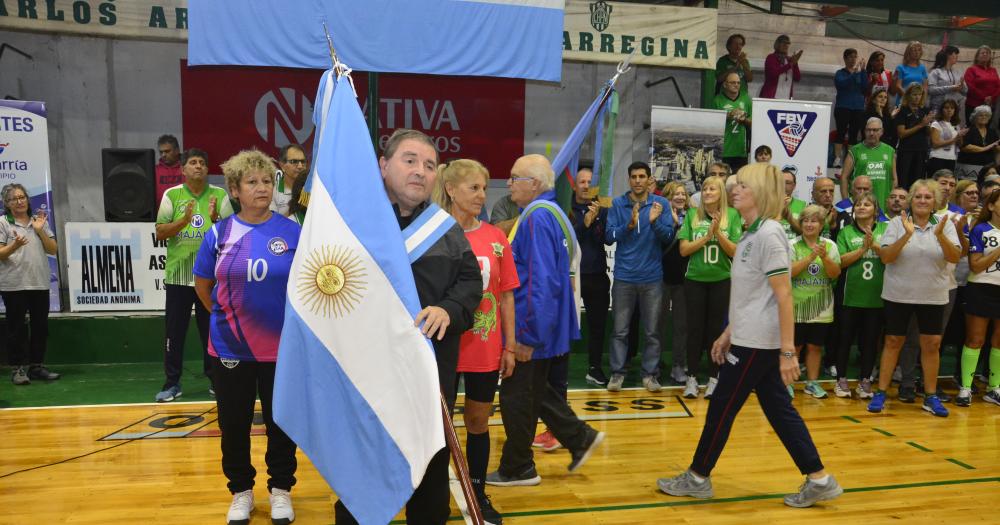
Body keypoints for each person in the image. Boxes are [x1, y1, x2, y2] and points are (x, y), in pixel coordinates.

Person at [657, 162, 843, 507]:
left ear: (759, 193)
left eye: (742, 185)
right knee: (779, 410)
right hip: (747, 337)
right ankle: (819, 478)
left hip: (758, 343)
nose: (734, 190)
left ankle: (698, 477)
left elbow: (783, 294)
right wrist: (729, 331)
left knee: (721, 410)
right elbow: (751, 294)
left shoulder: (770, 234)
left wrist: (788, 352)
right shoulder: (751, 232)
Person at [334, 129, 482, 524]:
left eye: (430, 165)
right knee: (361, 476)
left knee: (430, 479)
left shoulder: (445, 229)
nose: (420, 171)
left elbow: (470, 283)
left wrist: (449, 309)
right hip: (366, 377)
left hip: (428, 379)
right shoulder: (349, 222)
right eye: (410, 160)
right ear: (383, 166)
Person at [191, 149, 301, 525]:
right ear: (235, 190)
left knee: (281, 421)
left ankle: (281, 489)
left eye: (267, 181)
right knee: (233, 423)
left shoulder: (293, 232)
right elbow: (203, 287)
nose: (262, 188)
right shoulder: (218, 234)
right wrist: (229, 320)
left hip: (282, 348)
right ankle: (241, 491)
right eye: (252, 182)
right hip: (230, 347)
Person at [486, 154, 605, 487]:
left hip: (532, 325)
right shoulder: (556, 214)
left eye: (514, 178)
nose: (508, 184)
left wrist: (526, 336)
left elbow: (540, 281)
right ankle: (578, 437)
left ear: (534, 183)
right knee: (535, 391)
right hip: (549, 323)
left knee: (516, 396)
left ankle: (518, 467)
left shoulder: (537, 217)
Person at [433, 158, 518, 523]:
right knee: (437, 427)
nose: (482, 195)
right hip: (443, 347)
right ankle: (433, 495)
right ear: (451, 189)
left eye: (484, 188)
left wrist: (509, 346)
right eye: (474, 188)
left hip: (485, 346)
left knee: (479, 423)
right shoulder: (432, 234)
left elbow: (506, 295)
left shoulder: (496, 238)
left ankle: (479, 493)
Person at [868, 180, 961, 417]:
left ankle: (930, 396)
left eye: (927, 197)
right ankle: (881, 392)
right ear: (911, 199)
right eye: (918, 196)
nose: (922, 201)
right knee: (893, 342)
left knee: (931, 345)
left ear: (935, 202)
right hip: (898, 294)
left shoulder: (945, 224)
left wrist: (940, 235)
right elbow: (886, 258)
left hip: (933, 295)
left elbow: (954, 257)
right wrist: (905, 236)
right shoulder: (897, 223)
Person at [155, 148, 234, 402]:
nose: (198, 166)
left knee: (210, 330)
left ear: (207, 169)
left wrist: (215, 219)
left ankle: (216, 380)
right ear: (183, 169)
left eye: (202, 162)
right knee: (174, 332)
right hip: (179, 276)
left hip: (211, 278)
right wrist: (183, 221)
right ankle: (172, 383)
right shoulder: (172, 195)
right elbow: (160, 232)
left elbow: (232, 235)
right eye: (193, 162)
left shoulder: (219, 195)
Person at [604, 162, 675, 392]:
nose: (637, 180)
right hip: (624, 277)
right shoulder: (618, 204)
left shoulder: (660, 203)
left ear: (648, 179)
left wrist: (653, 222)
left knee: (652, 331)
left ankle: (650, 375)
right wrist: (629, 225)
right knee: (620, 330)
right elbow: (608, 236)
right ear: (629, 179)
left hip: (652, 278)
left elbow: (668, 237)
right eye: (633, 176)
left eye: (642, 176)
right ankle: (617, 374)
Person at [678, 176, 741, 399]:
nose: (707, 192)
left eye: (712, 188)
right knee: (694, 330)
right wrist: (706, 237)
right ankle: (692, 378)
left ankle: (714, 378)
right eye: (704, 188)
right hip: (695, 279)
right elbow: (683, 250)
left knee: (716, 331)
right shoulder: (693, 215)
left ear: (721, 193)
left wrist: (718, 234)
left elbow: (734, 251)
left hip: (721, 280)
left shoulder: (732, 215)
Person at [0, 184, 58, 385]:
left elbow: (53, 250)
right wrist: (14, 245)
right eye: (14, 198)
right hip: (14, 285)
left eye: (22, 197)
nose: (19, 201)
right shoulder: (3, 223)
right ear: (6, 204)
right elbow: (0, 253)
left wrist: (40, 231)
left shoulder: (38, 221)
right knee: (16, 329)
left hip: (39, 282)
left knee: (40, 327)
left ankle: (37, 366)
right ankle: (17, 369)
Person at [834, 192, 887, 399]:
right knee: (845, 339)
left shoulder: (886, 229)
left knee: (870, 341)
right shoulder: (845, 232)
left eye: (867, 204)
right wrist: (862, 249)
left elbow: (891, 256)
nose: (862, 207)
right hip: (850, 296)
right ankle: (841, 379)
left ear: (876, 210)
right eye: (858, 204)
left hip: (877, 297)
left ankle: (865, 380)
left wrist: (873, 245)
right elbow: (840, 261)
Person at [790, 205, 841, 399]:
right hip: (796, 306)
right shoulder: (792, 244)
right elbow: (790, 272)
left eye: (814, 221)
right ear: (800, 223)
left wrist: (824, 257)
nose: (809, 224)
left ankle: (812, 382)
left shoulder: (830, 245)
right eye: (805, 220)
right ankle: (788, 383)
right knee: (793, 348)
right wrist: (811, 256)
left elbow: (835, 274)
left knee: (815, 346)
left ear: (821, 225)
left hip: (821, 306)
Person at [957, 190, 1000, 407]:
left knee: (999, 341)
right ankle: (965, 388)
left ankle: (994, 388)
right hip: (981, 287)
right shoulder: (981, 229)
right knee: (976, 339)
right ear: (991, 206)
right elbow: (976, 265)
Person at [569, 166, 611, 387]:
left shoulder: (602, 209)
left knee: (598, 325)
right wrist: (584, 224)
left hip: (597, 276)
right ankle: (558, 370)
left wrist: (596, 220)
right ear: (574, 185)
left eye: (589, 182)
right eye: (582, 182)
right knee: (566, 324)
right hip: (572, 278)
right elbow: (565, 238)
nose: (586, 186)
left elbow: (609, 239)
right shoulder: (565, 209)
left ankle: (594, 368)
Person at [662, 182, 691, 384]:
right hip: (660, 278)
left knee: (682, 326)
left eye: (682, 194)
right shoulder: (660, 216)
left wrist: (680, 224)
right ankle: (653, 363)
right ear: (667, 197)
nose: (680, 197)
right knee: (657, 325)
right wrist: (672, 225)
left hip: (684, 279)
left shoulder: (693, 217)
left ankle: (679, 365)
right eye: (675, 194)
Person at [840, 117, 897, 210]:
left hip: (883, 203)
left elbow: (894, 179)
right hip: (861, 205)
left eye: (875, 130)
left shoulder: (890, 151)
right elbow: (844, 177)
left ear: (882, 131)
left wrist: (892, 201)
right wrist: (846, 202)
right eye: (868, 130)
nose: (871, 133)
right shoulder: (855, 150)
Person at [895, 83, 933, 190]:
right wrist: (921, 124)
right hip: (906, 150)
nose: (917, 97)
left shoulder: (924, 110)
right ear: (908, 95)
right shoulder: (902, 110)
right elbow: (901, 134)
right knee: (904, 180)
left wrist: (929, 124)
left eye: (919, 94)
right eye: (914, 94)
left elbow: (928, 133)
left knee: (918, 181)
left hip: (922, 149)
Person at [834, 48, 868, 160]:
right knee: (841, 133)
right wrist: (854, 73)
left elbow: (865, 88)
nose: (853, 59)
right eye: (851, 57)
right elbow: (842, 84)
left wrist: (863, 71)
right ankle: (837, 159)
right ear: (845, 58)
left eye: (855, 57)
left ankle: (850, 160)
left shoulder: (859, 74)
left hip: (858, 108)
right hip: (843, 107)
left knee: (854, 134)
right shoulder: (840, 73)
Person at [714, 71, 752, 172]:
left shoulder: (746, 99)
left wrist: (744, 120)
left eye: (738, 83)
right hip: (723, 150)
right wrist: (729, 115)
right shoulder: (717, 100)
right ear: (725, 84)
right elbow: (712, 123)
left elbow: (754, 123)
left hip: (741, 151)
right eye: (733, 82)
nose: (736, 85)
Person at [958, 105, 1000, 178]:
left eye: (986, 115)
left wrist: (997, 163)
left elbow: (997, 148)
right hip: (969, 166)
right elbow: (966, 147)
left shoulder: (992, 132)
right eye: (980, 115)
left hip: (988, 168)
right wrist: (987, 148)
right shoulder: (968, 130)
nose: (984, 117)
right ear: (975, 117)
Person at [927, 100, 966, 175]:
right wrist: (954, 139)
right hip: (937, 157)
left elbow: (960, 145)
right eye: (946, 108)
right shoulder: (936, 123)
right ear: (941, 110)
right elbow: (935, 144)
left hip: (952, 158)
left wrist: (960, 136)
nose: (949, 110)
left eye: (952, 108)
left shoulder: (956, 125)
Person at [963, 46, 1000, 124]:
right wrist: (984, 98)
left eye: (987, 53)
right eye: (982, 53)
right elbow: (971, 86)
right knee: (973, 130)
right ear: (977, 57)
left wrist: (992, 98)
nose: (985, 54)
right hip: (974, 105)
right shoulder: (971, 69)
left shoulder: (993, 70)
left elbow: (998, 86)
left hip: (990, 105)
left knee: (987, 130)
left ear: (990, 57)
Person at [760, 34, 802, 100]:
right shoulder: (771, 57)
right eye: (783, 43)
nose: (786, 45)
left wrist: (795, 63)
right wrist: (790, 65)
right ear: (777, 44)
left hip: (786, 98)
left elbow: (797, 78)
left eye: (788, 43)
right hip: (771, 97)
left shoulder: (789, 60)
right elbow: (773, 74)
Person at [270, 144, 308, 216]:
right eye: (294, 161)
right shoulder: (272, 190)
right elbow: (273, 224)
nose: (300, 166)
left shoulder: (314, 188)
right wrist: (295, 206)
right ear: (282, 166)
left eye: (303, 161)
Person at [927, 46, 966, 113]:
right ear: (947, 55)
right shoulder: (935, 72)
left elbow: (966, 91)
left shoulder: (957, 72)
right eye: (955, 53)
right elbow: (931, 90)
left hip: (954, 110)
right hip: (938, 109)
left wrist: (962, 87)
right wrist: (951, 88)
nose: (957, 56)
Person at [893, 42, 928, 106]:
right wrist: (909, 98)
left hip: (918, 102)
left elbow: (925, 87)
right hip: (903, 102)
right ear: (908, 52)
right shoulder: (900, 68)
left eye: (919, 50)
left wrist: (922, 100)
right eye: (914, 50)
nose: (917, 52)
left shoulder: (922, 68)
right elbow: (898, 86)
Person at [780, 166, 808, 240]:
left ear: (794, 186)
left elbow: (805, 231)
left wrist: (789, 218)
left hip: (795, 249)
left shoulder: (803, 205)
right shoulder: (767, 204)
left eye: (788, 183)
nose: (783, 185)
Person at [155, 134, 183, 205]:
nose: (163, 155)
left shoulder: (188, 168)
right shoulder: (154, 171)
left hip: (184, 212)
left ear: (177, 150)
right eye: (161, 152)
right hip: (160, 213)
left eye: (167, 151)